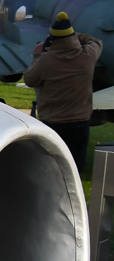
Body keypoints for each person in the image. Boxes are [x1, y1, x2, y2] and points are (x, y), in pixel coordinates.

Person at [23, 11, 101, 172]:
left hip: (54, 123)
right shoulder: (87, 56)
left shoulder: (45, 60)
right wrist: (74, 35)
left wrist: (37, 56)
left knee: (52, 169)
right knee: (75, 167)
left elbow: (30, 80)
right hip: (80, 123)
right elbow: (96, 41)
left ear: (53, 39)